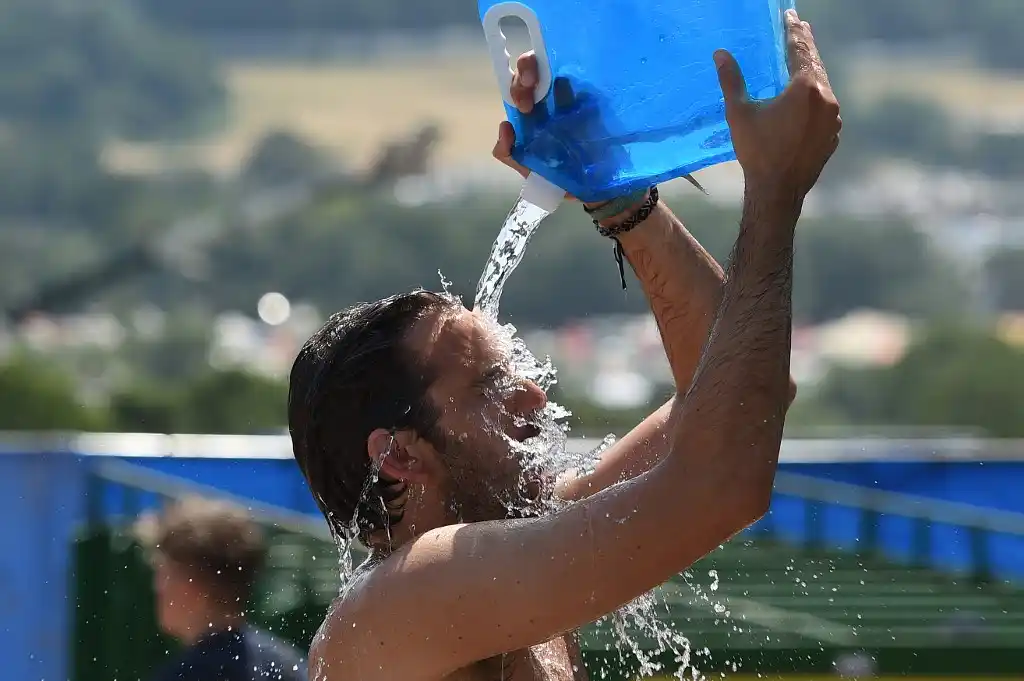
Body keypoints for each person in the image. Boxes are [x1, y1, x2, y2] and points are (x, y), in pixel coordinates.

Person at [288, 10, 840, 681]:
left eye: (515, 370)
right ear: (400, 456)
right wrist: (774, 191)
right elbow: (720, 482)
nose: (533, 393)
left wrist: (619, 198)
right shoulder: (407, 596)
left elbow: (740, 392)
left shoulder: (514, 545)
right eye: (491, 386)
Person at [137, 496, 308, 681]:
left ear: (196, 585)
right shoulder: (290, 667)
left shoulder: (185, 675)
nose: (157, 586)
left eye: (165, 573)